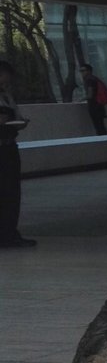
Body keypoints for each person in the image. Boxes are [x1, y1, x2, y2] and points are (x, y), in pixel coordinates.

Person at [0, 60, 36, 248]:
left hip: (9, 146)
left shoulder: (7, 96)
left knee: (11, 191)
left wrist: (19, 122)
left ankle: (9, 232)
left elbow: (16, 116)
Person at [79, 63, 107, 135]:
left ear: (89, 71)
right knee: (101, 125)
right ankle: (104, 141)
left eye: (83, 70)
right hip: (99, 105)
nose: (81, 73)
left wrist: (82, 99)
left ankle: (102, 142)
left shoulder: (89, 80)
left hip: (94, 106)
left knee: (98, 126)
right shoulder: (95, 79)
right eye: (80, 71)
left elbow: (90, 95)